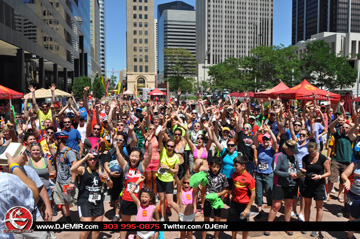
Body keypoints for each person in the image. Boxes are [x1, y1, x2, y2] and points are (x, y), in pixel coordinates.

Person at [115, 133, 153, 239]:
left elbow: (149, 154)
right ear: (129, 156)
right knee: (125, 224)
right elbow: (117, 154)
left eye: (137, 156)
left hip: (139, 201)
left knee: (141, 224)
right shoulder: (125, 166)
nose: (134, 158)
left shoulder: (142, 167)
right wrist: (115, 142)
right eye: (132, 155)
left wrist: (149, 142)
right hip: (126, 199)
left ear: (140, 158)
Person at [71, 152, 113, 239]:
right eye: (90, 159)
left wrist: (107, 178)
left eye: (94, 159)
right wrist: (85, 157)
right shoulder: (83, 169)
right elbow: (73, 169)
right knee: (86, 229)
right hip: (85, 201)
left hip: (98, 202)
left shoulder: (101, 170)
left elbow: (111, 186)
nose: (93, 161)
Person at [265, 140, 300, 236]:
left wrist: (300, 172)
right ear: (286, 148)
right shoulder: (278, 156)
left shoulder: (294, 157)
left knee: (289, 205)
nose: (293, 152)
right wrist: (289, 174)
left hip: (291, 184)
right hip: (279, 184)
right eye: (291, 150)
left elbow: (296, 168)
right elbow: (275, 171)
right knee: (276, 205)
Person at [299, 140, 330, 237]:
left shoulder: (322, 158)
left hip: (319, 185)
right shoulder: (305, 158)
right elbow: (304, 172)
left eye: (312, 152)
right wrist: (302, 172)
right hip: (308, 184)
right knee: (307, 206)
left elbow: (329, 172)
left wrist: (320, 177)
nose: (310, 154)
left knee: (319, 207)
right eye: (309, 152)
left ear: (316, 149)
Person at [227, 156, 255, 239]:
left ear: (243, 166)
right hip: (234, 203)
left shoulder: (249, 178)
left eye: (236, 165)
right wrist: (231, 194)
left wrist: (248, 208)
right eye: (234, 165)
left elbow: (253, 194)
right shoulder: (234, 174)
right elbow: (233, 185)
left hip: (244, 205)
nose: (234, 167)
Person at [253, 126, 277, 219]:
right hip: (259, 174)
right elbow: (254, 138)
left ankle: (271, 211)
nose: (265, 140)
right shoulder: (260, 147)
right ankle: (260, 211)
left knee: (269, 192)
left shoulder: (272, 149)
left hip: (268, 174)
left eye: (267, 139)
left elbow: (275, 141)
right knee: (259, 193)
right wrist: (259, 130)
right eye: (264, 139)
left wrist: (270, 131)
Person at [157, 126, 180, 221]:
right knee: (162, 200)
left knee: (170, 202)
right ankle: (162, 217)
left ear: (174, 147)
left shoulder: (176, 157)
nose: (169, 147)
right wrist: (161, 133)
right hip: (159, 178)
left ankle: (182, 214)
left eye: (171, 146)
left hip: (169, 180)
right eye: (168, 145)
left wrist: (167, 168)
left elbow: (176, 171)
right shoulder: (163, 152)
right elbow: (159, 142)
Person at [53, 131, 77, 222]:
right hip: (59, 181)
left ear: (59, 140)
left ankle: (83, 217)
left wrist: (72, 182)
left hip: (67, 182)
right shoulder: (58, 151)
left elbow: (74, 167)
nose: (54, 141)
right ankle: (68, 219)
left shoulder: (69, 152)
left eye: (55, 139)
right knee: (62, 201)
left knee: (71, 200)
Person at [328, 114, 352, 203]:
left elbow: (357, 127)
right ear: (341, 128)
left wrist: (347, 122)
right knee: (331, 179)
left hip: (346, 161)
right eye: (343, 127)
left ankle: (340, 195)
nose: (345, 129)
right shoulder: (337, 134)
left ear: (349, 129)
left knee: (343, 181)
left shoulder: (351, 136)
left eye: (346, 128)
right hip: (336, 160)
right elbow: (331, 126)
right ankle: (328, 194)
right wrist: (337, 120)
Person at [203, 157, 228, 239]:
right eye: (213, 166)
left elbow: (226, 189)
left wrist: (219, 194)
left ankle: (216, 236)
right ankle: (204, 237)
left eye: (217, 167)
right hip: (207, 200)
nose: (215, 169)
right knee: (206, 219)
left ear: (220, 167)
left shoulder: (223, 176)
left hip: (217, 201)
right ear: (210, 166)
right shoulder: (206, 175)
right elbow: (203, 188)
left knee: (217, 219)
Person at [341, 159, 360, 239]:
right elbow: (344, 174)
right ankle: (349, 237)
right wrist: (347, 180)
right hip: (354, 196)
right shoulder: (355, 164)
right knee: (353, 217)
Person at [178, 175, 196, 239]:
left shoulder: (193, 191)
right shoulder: (181, 191)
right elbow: (178, 182)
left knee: (189, 234)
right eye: (185, 182)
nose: (186, 184)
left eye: (188, 183)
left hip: (191, 216)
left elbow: (198, 184)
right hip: (182, 216)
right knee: (182, 234)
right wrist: (175, 174)